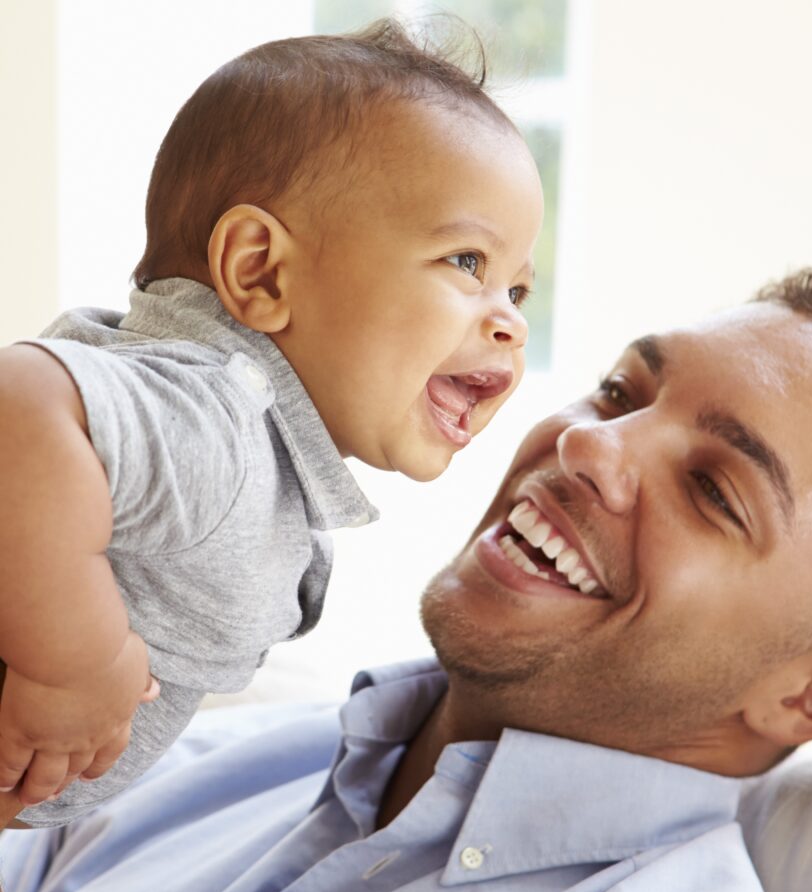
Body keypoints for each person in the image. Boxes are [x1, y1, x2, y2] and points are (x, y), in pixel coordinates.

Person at [0, 271, 812, 892]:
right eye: (622, 393)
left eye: (715, 492)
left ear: (810, 700)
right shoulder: (193, 745)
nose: (590, 443)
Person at [0, 21, 543, 827]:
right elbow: (17, 406)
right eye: (468, 263)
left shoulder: (254, 451)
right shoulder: (222, 420)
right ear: (260, 270)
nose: (509, 323)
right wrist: (75, 666)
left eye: (518, 292)